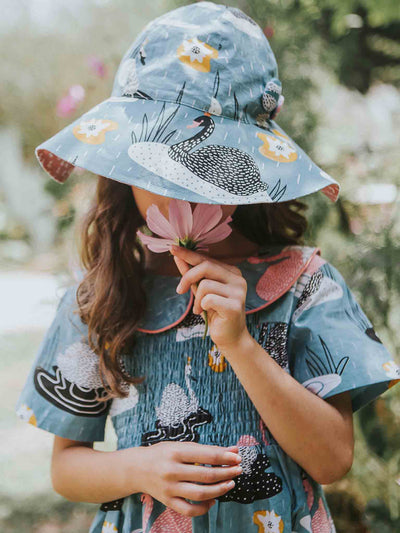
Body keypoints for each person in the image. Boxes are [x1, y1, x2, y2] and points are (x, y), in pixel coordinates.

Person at [15, 2, 400, 532]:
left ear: (252, 170)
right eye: (162, 164)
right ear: (123, 162)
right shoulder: (100, 297)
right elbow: (66, 467)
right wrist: (140, 469)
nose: (181, 190)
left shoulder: (305, 285)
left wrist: (241, 344)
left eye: (204, 166)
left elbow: (333, 460)